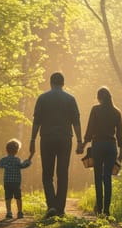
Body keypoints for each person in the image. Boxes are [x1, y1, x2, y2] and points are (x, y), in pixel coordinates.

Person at [29, 72, 83, 217]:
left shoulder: (42, 98)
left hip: (47, 138)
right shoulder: (70, 99)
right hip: (65, 139)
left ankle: (51, 205)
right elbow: (76, 122)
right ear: (63, 83)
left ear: (51, 83)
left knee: (47, 174)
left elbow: (37, 122)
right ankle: (60, 208)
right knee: (62, 173)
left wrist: (32, 140)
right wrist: (79, 141)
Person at [80, 87, 122, 216]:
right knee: (107, 178)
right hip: (111, 146)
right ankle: (106, 210)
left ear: (99, 97)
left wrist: (83, 144)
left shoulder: (95, 110)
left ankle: (99, 209)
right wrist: (121, 151)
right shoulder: (117, 112)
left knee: (98, 177)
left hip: (98, 145)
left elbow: (90, 129)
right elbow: (120, 133)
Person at [0, 138, 32, 219]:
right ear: (17, 150)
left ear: (7, 150)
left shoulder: (4, 159)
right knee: (18, 197)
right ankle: (20, 212)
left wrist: (6, 166)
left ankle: (9, 212)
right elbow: (23, 166)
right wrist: (28, 161)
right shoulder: (17, 160)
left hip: (7, 182)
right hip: (16, 182)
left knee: (8, 197)